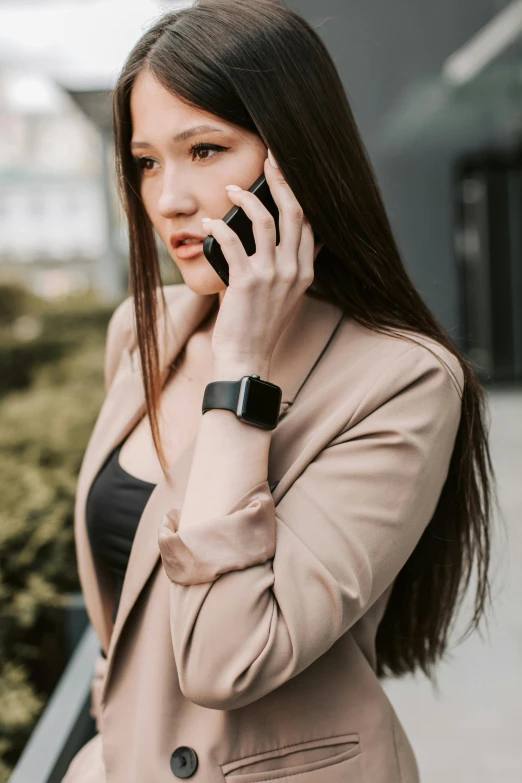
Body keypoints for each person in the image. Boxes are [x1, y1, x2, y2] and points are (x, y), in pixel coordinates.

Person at [61, 1, 494, 781]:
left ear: (293, 159)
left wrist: (243, 369)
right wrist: (108, 741)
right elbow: (122, 605)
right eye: (148, 160)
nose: (168, 200)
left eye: (204, 149)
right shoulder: (144, 330)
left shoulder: (405, 381)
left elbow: (227, 658)